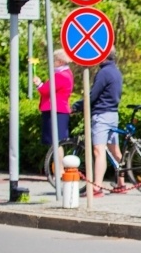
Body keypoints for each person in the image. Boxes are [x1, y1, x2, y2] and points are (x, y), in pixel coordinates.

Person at [73, 48, 124, 197]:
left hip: (101, 115)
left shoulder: (103, 73)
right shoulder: (116, 71)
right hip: (113, 114)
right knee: (115, 151)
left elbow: (93, 95)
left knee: (98, 151)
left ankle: (97, 188)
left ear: (103, 57)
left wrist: (77, 106)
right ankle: (121, 183)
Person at [34, 49, 74, 177]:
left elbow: (46, 90)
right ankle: (58, 168)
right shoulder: (65, 73)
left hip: (56, 110)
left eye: (54, 60)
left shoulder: (61, 75)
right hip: (57, 109)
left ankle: (59, 169)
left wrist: (39, 84)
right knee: (57, 142)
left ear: (60, 61)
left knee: (56, 142)